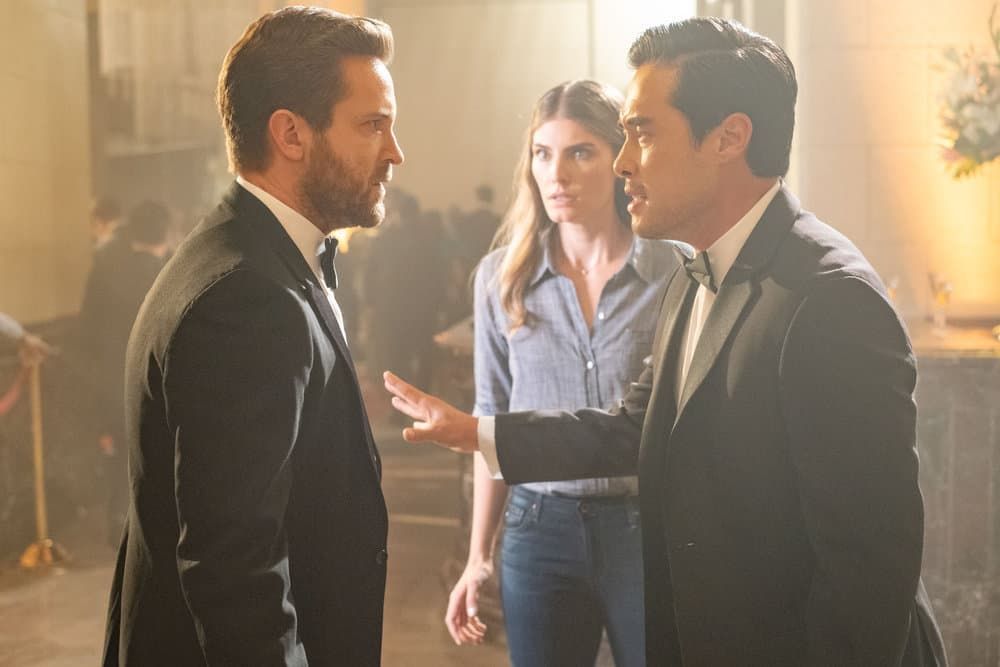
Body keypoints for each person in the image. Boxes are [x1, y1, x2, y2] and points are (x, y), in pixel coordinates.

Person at [384, 17, 947, 667]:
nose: (623, 161)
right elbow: (633, 427)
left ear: (729, 138)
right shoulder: (692, 274)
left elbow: (868, 573)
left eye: (643, 133)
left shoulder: (830, 299)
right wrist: (477, 433)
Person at [103, 7, 403, 666]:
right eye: (372, 125)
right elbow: (236, 574)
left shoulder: (246, 251)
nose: (394, 152)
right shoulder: (246, 300)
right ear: (291, 134)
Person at [449, 80, 678, 667]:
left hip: (643, 525)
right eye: (542, 154)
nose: (558, 174)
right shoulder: (502, 278)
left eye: (580, 152)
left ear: (619, 159)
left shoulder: (673, 272)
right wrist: (478, 556)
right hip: (539, 527)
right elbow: (491, 417)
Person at [77, 200, 170, 544]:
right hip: (160, 378)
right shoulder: (171, 270)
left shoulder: (106, 266)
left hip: (115, 376)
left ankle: (120, 526)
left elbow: (88, 329)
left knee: (121, 455)